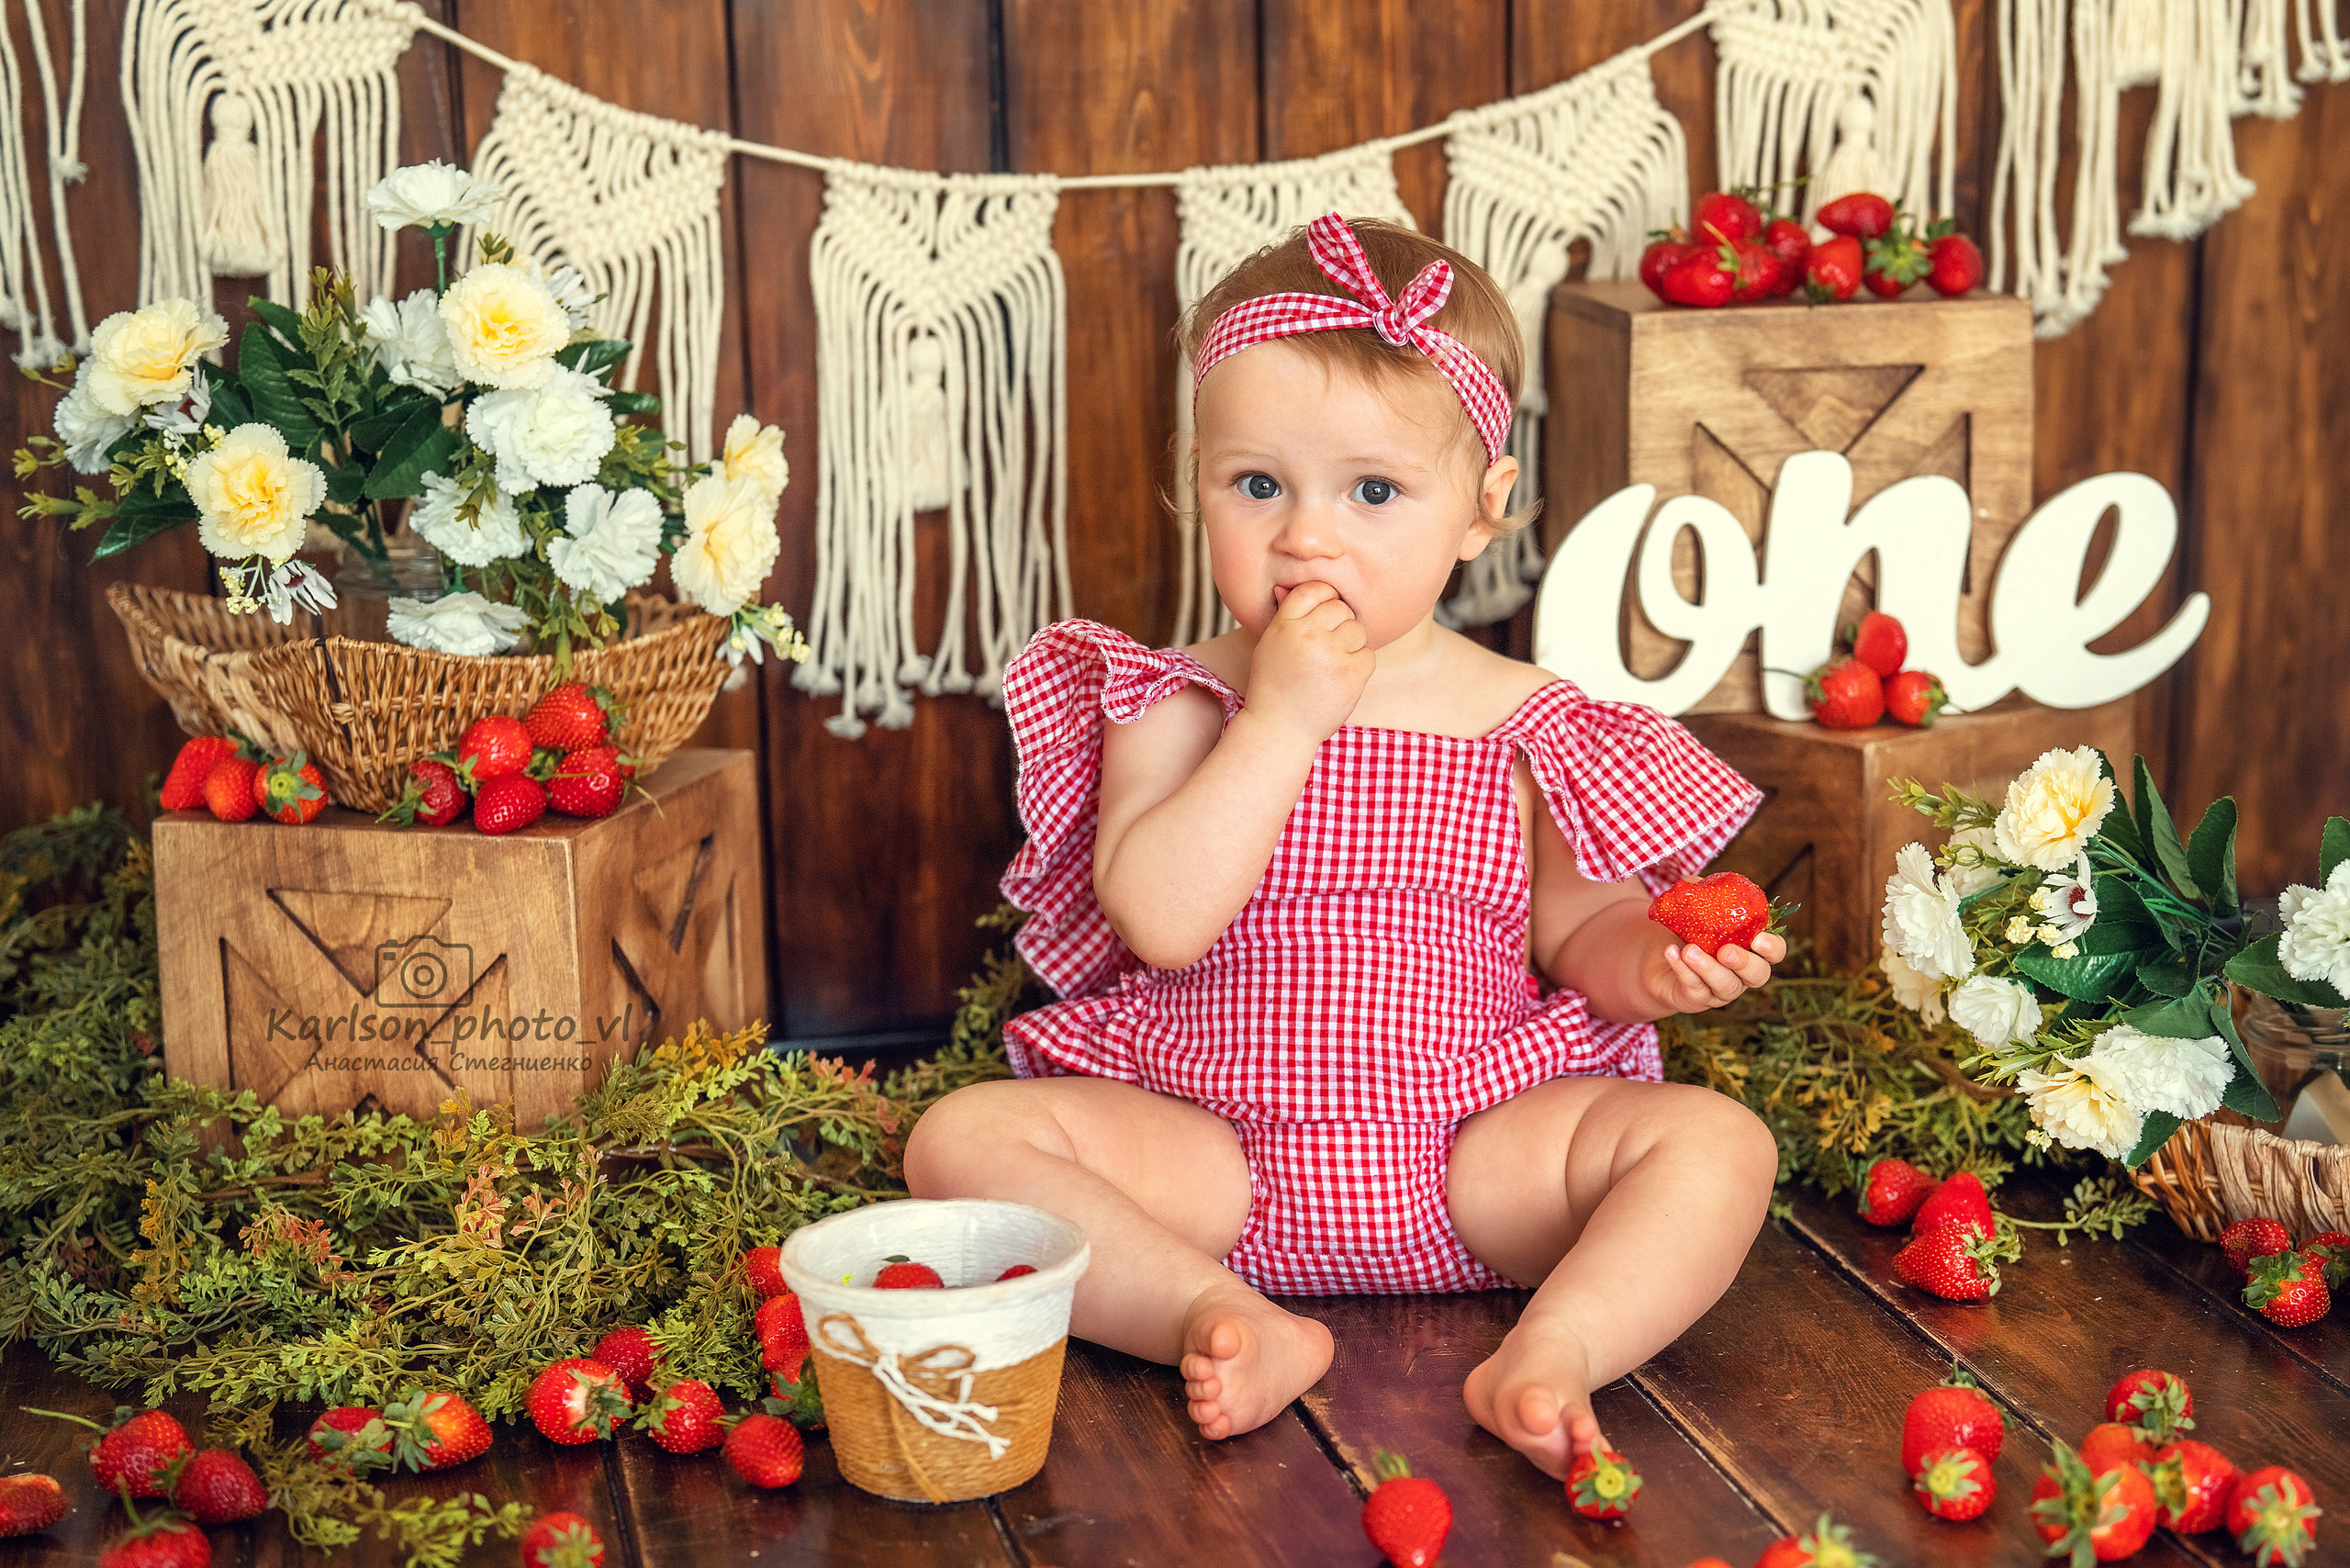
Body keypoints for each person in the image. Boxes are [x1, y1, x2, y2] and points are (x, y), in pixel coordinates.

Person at [905, 213, 1784, 1481]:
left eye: (1374, 492)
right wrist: (1285, 716)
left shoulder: (1525, 715)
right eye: (1257, 486)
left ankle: (1558, 1346)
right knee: (961, 1141)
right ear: (1190, 482)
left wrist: (1652, 965)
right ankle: (1217, 1314)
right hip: (1208, 1157)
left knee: (1715, 1144)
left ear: (1482, 511)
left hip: (1477, 1154)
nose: (1307, 537)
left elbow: (1578, 933)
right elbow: (1160, 918)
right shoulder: (1167, 698)